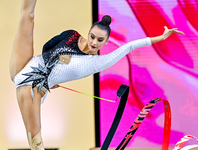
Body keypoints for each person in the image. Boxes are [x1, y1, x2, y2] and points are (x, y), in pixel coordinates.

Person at [9, 0, 184, 150]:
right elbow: (48, 46)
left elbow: (130, 46)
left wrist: (161, 37)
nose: (94, 42)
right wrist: (54, 64)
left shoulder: (97, 62)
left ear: (106, 41)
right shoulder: (72, 35)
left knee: (36, 145)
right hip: (26, 64)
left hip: (33, 87)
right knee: (28, 17)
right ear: (89, 32)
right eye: (92, 36)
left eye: (100, 40)